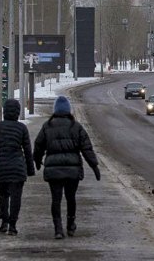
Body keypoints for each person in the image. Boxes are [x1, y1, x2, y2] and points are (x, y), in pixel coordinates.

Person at [34, 96, 101, 239]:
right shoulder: (76, 127)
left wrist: (37, 161)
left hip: (53, 170)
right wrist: (94, 166)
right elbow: (86, 148)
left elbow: (38, 146)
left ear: (55, 110)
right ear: (68, 110)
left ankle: (58, 229)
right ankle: (70, 225)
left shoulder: (48, 126)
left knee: (56, 199)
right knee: (71, 198)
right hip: (72, 170)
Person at [0, 99, 35, 236]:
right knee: (16, 198)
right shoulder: (22, 128)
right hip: (18, 167)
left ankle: (4, 222)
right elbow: (28, 151)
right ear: (17, 112)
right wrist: (30, 169)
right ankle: (13, 226)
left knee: (3, 195)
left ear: (4, 111)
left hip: (2, 167)